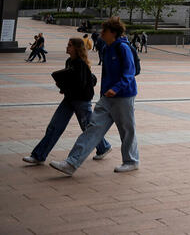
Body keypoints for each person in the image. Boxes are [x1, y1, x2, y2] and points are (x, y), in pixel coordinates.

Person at [49, 18, 139, 175]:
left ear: (113, 32)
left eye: (104, 31)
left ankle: (131, 161)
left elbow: (129, 72)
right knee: (92, 128)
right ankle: (71, 163)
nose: (101, 33)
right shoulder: (106, 47)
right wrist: (105, 91)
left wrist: (116, 89)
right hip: (107, 97)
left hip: (123, 96)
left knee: (126, 130)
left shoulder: (123, 48)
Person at [23, 38, 112, 166]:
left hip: (81, 100)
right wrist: (62, 86)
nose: (67, 47)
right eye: (68, 45)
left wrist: (65, 84)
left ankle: (103, 147)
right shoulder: (69, 61)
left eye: (70, 45)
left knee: (88, 127)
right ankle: (38, 155)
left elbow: (82, 83)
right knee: (55, 126)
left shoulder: (81, 64)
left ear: (76, 48)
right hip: (70, 99)